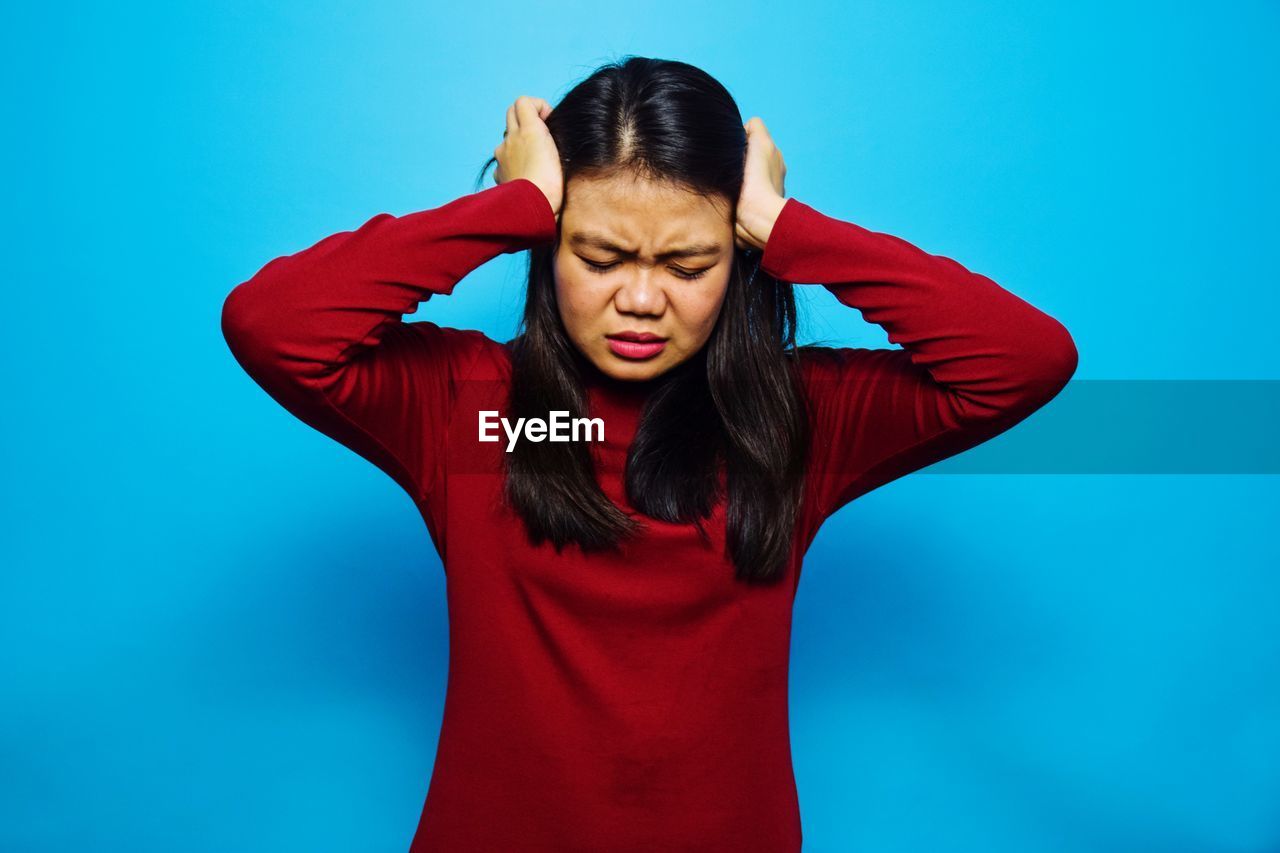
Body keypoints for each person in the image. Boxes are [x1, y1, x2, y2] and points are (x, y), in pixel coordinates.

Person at [221, 56, 1076, 853]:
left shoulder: (793, 419)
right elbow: (272, 325)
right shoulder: (473, 414)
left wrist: (788, 226)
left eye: (688, 262)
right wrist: (508, 208)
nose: (639, 299)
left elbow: (1024, 360)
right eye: (599, 255)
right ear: (552, 244)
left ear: (738, 258)